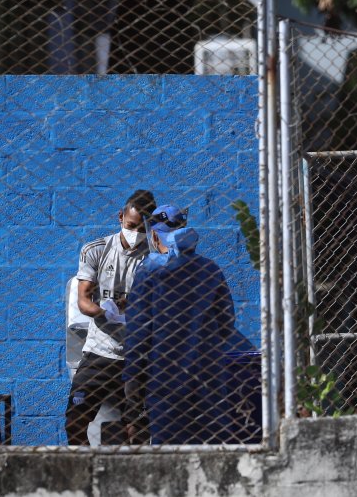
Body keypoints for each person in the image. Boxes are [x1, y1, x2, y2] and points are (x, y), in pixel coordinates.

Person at [123, 204, 237, 445]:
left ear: (154, 235)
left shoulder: (149, 271)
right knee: (213, 450)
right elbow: (226, 323)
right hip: (209, 378)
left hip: (166, 381)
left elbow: (137, 336)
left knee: (170, 454)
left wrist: (133, 398)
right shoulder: (210, 269)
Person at [64, 189, 156, 445]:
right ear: (120, 217)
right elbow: (83, 300)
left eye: (141, 228)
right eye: (131, 226)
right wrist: (105, 312)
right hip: (100, 350)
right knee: (75, 420)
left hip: (137, 354)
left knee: (136, 428)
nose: (135, 233)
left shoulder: (153, 257)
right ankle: (82, 472)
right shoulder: (96, 250)